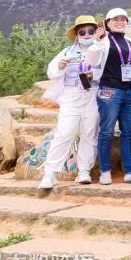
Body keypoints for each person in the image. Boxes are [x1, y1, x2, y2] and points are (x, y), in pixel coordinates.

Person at [38, 15, 104, 189]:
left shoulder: (102, 49)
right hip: (71, 94)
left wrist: (94, 74)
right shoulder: (67, 52)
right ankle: (50, 173)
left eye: (90, 31)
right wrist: (60, 66)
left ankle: (84, 170)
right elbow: (52, 72)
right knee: (64, 132)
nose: (87, 34)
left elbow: (108, 71)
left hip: (93, 94)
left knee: (89, 133)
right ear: (77, 34)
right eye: (82, 32)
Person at [96, 8, 131, 185]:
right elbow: (91, 60)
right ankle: (105, 171)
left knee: (130, 131)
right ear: (107, 23)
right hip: (110, 90)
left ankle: (130, 170)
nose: (120, 22)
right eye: (115, 19)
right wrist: (97, 42)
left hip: (129, 90)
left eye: (123, 19)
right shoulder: (103, 41)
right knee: (106, 131)